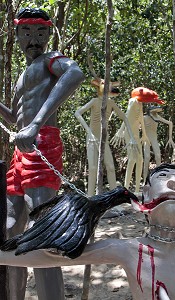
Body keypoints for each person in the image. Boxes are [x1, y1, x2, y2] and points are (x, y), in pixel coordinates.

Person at [0, 163, 175, 300]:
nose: (174, 182)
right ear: (145, 195)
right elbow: (51, 258)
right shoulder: (130, 250)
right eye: (163, 177)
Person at [0, 7, 84, 300]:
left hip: (41, 143)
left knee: (40, 234)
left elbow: (75, 73)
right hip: (20, 152)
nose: (33, 39)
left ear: (49, 35)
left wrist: (36, 124)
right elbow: (14, 118)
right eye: (26, 32)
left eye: (40, 32)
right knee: (11, 231)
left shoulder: (52, 60)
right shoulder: (22, 76)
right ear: (17, 35)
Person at [143, 105, 175, 182]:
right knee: (146, 158)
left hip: (154, 138)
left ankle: (159, 177)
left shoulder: (157, 117)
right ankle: (144, 180)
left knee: (158, 156)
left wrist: (170, 138)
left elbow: (170, 123)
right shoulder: (144, 117)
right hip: (146, 139)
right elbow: (136, 126)